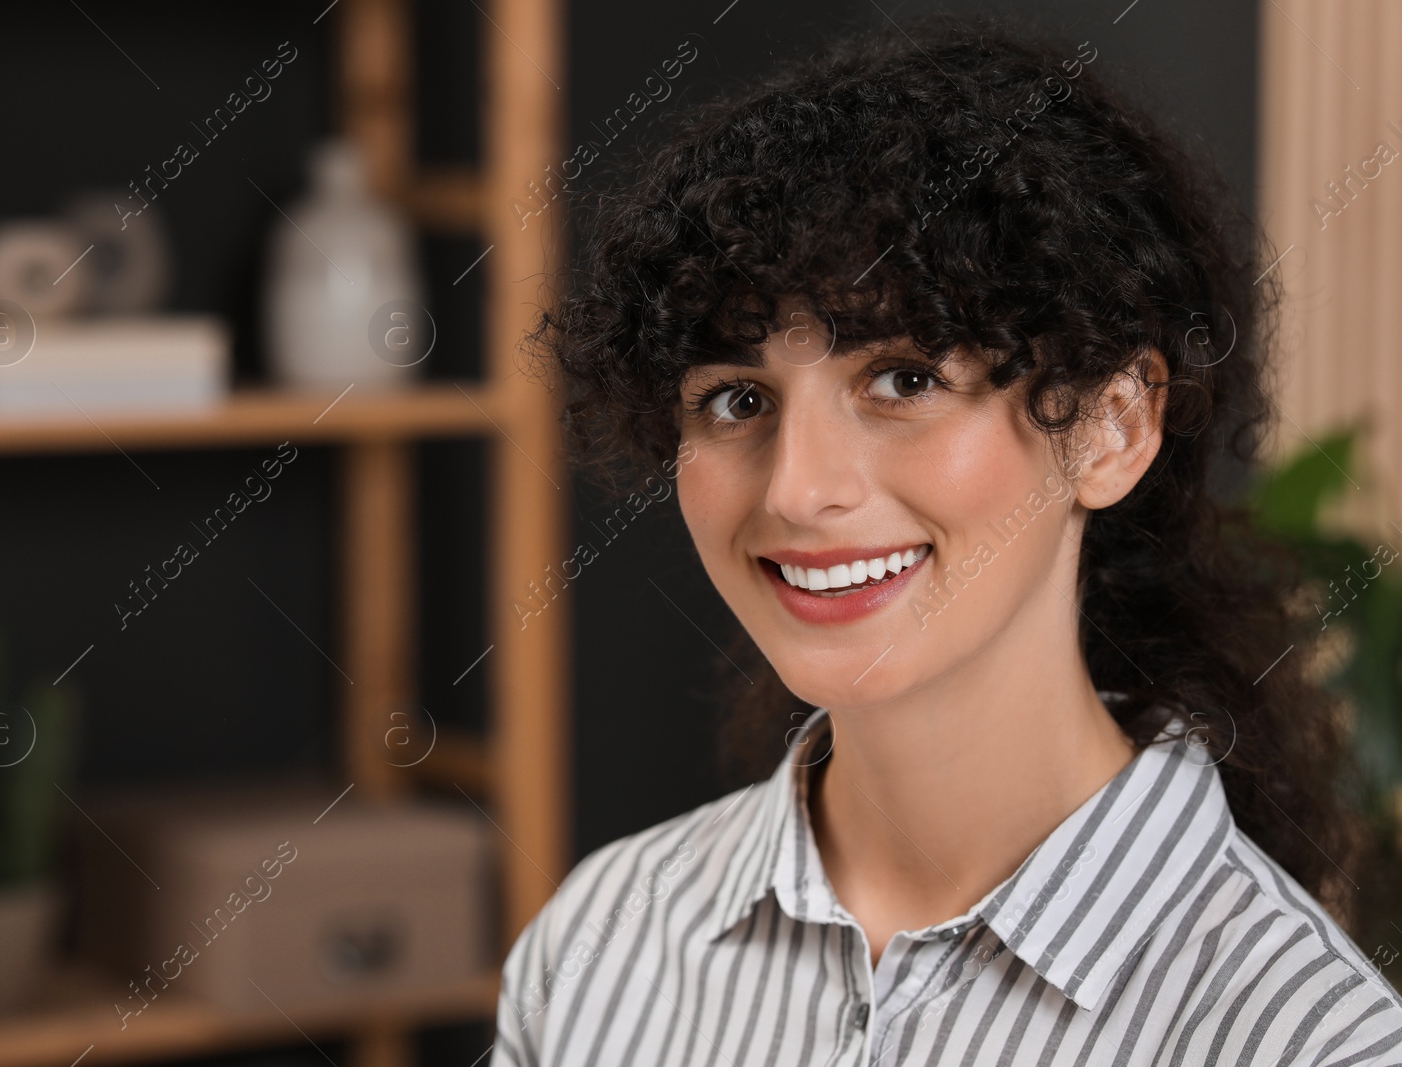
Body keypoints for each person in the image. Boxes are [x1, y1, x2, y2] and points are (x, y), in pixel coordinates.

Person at [491, 14, 1402, 1065]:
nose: (798, 488)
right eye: (737, 398)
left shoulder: (1309, 1039)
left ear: (1113, 425)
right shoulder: (594, 946)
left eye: (904, 380)